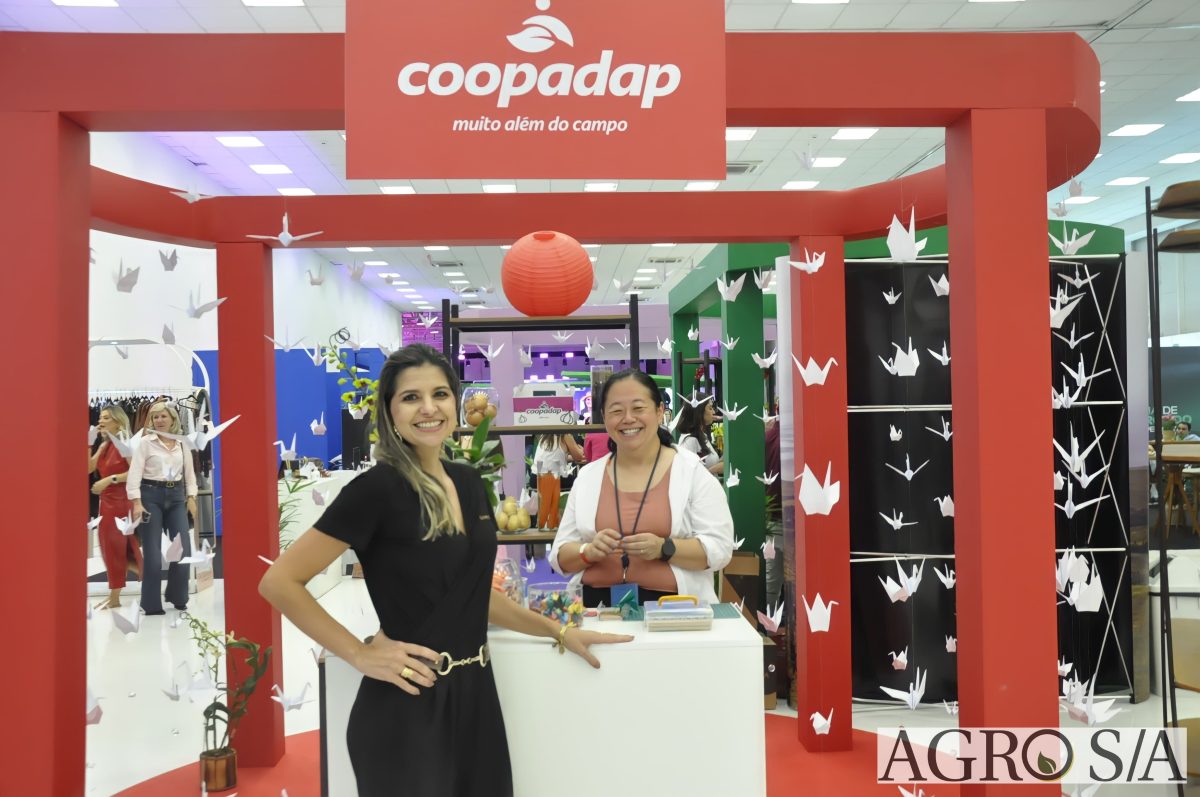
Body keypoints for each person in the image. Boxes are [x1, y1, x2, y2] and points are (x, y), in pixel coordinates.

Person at [258, 344, 630, 797]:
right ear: (389, 412)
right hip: (407, 705)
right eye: (410, 397)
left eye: (439, 394)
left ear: (456, 402)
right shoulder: (376, 490)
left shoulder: (469, 482)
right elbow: (279, 582)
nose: (428, 408)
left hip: (477, 697)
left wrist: (558, 631)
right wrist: (358, 653)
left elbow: (472, 596)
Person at [551, 369, 734, 608]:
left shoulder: (692, 473)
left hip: (672, 611)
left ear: (659, 412)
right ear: (604, 418)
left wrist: (664, 548)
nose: (628, 419)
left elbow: (719, 550)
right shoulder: (588, 477)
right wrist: (588, 551)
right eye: (616, 411)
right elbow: (560, 557)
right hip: (595, 612)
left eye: (638, 408)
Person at [126, 401, 197, 615]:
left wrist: (192, 497)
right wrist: (136, 502)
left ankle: (177, 596)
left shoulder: (182, 443)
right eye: (155, 417)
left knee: (183, 550)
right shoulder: (145, 443)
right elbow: (134, 474)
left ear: (173, 419)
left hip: (176, 498)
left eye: (163, 416)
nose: (159, 420)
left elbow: (190, 473)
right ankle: (150, 604)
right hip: (150, 497)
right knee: (153, 554)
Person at [89, 404, 144, 610]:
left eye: (106, 418)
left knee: (114, 549)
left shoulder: (124, 442)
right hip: (107, 503)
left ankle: (115, 597)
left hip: (120, 502)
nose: (100, 421)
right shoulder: (105, 444)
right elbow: (88, 468)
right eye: (100, 418)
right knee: (115, 550)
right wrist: (89, 443)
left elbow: (135, 472)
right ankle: (146, 578)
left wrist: (109, 479)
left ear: (118, 421)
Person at [532, 433, 584, 529]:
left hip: (535, 477)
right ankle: (574, 518)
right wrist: (581, 450)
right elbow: (579, 456)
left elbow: (556, 456)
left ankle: (547, 522)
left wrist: (573, 454)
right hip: (553, 478)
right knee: (580, 482)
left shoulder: (545, 435)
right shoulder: (566, 435)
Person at [674, 395, 724, 476]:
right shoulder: (690, 440)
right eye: (710, 408)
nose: (713, 412)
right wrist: (715, 469)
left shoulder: (701, 436)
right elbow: (687, 475)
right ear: (699, 412)